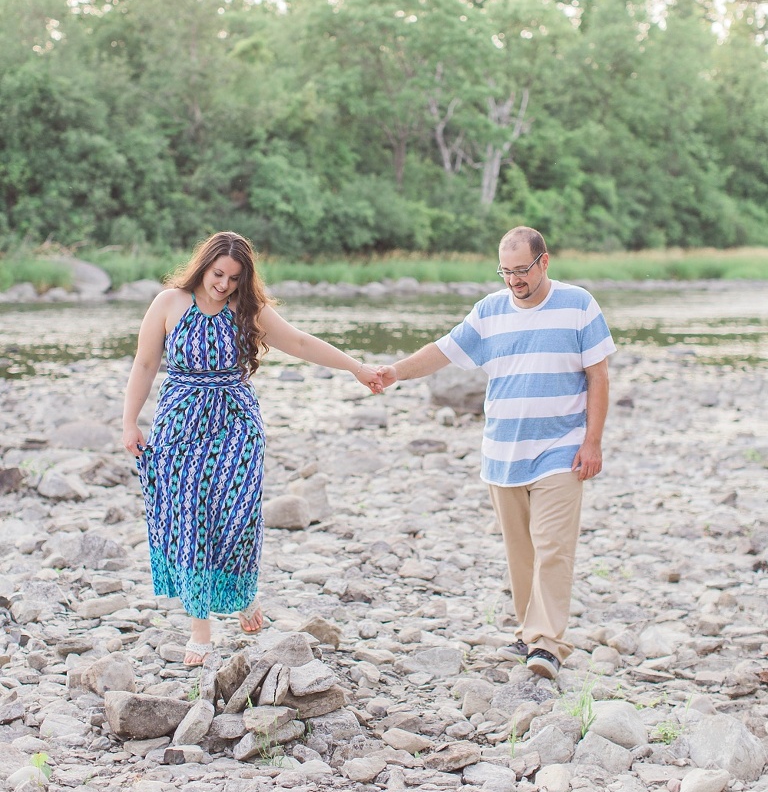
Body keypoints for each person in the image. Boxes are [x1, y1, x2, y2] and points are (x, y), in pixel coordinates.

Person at [122, 231, 383, 665]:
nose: (222, 284)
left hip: (236, 424)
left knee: (237, 515)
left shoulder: (248, 311)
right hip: (179, 423)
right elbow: (146, 363)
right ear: (203, 266)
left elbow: (299, 342)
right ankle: (200, 631)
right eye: (217, 273)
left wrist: (357, 367)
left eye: (233, 278)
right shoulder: (168, 303)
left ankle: (242, 594)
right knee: (189, 517)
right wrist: (129, 421)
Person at [377, 226, 615, 679]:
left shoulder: (579, 305)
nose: (513, 281)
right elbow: (443, 351)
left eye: (521, 271)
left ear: (544, 262)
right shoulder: (489, 311)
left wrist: (592, 440)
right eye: (505, 272)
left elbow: (598, 377)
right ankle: (529, 633)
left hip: (560, 448)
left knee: (552, 546)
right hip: (503, 450)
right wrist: (393, 372)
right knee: (520, 551)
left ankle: (546, 642)